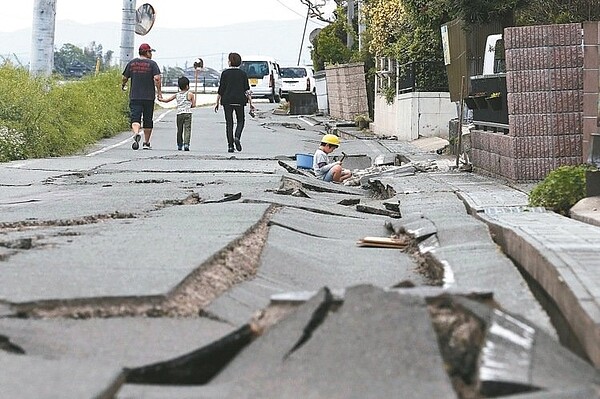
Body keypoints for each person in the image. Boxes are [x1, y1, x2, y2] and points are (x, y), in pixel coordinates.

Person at [122, 43, 163, 150]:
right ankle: (146, 142)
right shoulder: (152, 64)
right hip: (148, 97)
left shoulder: (132, 63)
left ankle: (136, 133)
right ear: (147, 52)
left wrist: (123, 85)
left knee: (135, 118)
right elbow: (157, 78)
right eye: (150, 52)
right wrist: (159, 92)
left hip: (135, 96)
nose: (151, 54)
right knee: (147, 119)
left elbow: (124, 77)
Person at [214, 52, 256, 153]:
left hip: (227, 101)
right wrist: (251, 103)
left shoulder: (225, 73)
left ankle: (230, 146)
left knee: (229, 123)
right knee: (240, 120)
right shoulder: (243, 74)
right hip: (239, 101)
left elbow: (221, 89)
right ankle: (237, 136)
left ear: (230, 61)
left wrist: (217, 102)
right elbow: (247, 90)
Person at [158, 76, 196, 151]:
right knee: (187, 129)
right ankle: (186, 144)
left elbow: (167, 100)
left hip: (179, 114)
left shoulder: (177, 95)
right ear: (187, 86)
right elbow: (194, 105)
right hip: (187, 113)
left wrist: (160, 99)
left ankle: (179, 144)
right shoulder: (190, 94)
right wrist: (189, 105)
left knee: (179, 129)